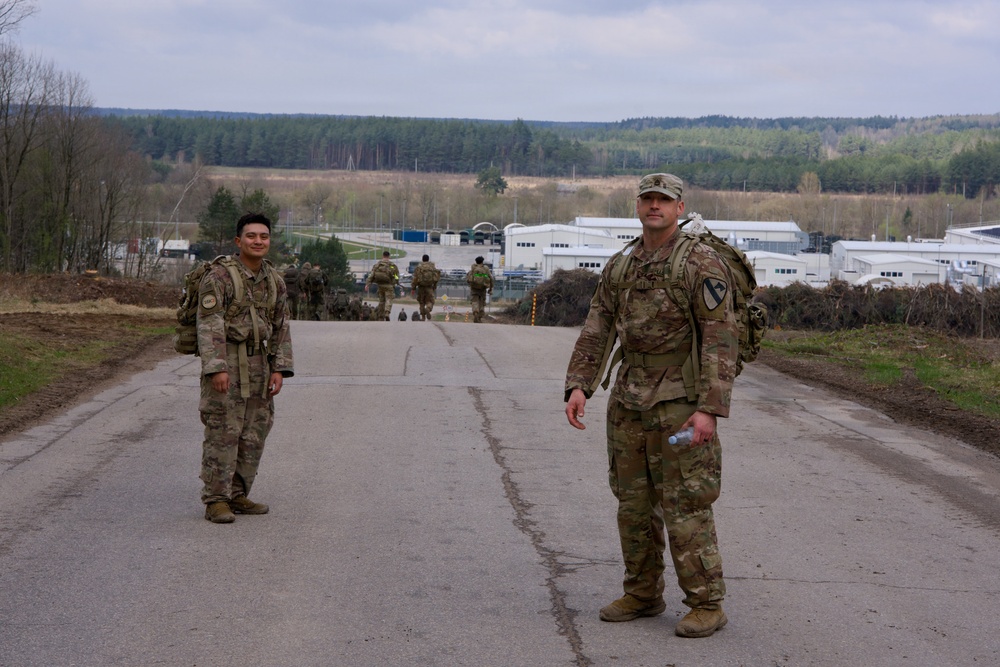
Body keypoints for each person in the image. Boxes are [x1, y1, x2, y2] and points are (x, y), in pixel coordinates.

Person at [563, 173, 739, 638]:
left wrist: (709, 409)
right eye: (648, 199)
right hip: (629, 401)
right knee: (633, 504)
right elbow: (597, 325)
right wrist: (580, 384)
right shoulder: (622, 265)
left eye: (664, 200)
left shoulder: (699, 262)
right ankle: (643, 593)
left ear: (680, 208)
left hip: (680, 404)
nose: (655, 206)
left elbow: (721, 337)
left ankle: (706, 603)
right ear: (638, 206)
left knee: (686, 501)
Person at [197, 212, 294, 524]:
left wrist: (279, 368)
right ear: (238, 241)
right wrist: (216, 369)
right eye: (251, 236)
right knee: (223, 431)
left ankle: (238, 493)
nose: (258, 241)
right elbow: (209, 324)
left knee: (254, 433)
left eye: (264, 237)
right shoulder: (220, 277)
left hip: (260, 367)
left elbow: (281, 326)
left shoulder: (274, 281)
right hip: (228, 364)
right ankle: (216, 500)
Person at [366, 250, 399, 321]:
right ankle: (387, 312)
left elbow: (371, 275)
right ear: (389, 256)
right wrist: (396, 281)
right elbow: (396, 275)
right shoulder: (392, 266)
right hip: (389, 285)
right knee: (389, 299)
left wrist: (367, 284)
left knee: (381, 301)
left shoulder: (377, 265)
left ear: (382, 256)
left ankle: (381, 316)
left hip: (380, 286)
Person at [465, 256, 494, 323]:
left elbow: (468, 277)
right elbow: (491, 278)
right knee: (482, 302)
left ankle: (475, 312)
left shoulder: (473, 268)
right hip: (483, 288)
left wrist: (471, 284)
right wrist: (490, 288)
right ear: (482, 261)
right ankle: (480, 316)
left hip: (474, 288)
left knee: (474, 301)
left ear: (476, 261)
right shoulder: (485, 268)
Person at [413, 254, 441, 321]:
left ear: (422, 259)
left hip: (421, 287)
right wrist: (434, 286)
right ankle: (428, 309)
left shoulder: (419, 267)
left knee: (421, 302)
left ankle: (423, 317)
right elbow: (436, 278)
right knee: (430, 301)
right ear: (428, 259)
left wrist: (413, 287)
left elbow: (415, 278)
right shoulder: (432, 267)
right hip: (429, 287)